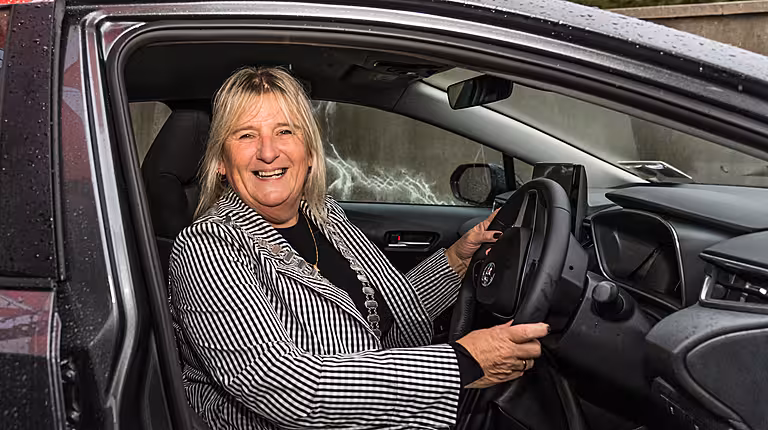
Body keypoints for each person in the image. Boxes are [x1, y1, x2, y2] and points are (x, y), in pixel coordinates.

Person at [169, 66, 549, 430]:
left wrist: (457, 260)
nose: (268, 152)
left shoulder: (324, 215)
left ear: (310, 152)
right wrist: (464, 363)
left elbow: (384, 315)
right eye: (246, 135)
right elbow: (283, 388)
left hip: (387, 409)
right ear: (221, 162)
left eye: (285, 131)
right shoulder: (208, 245)